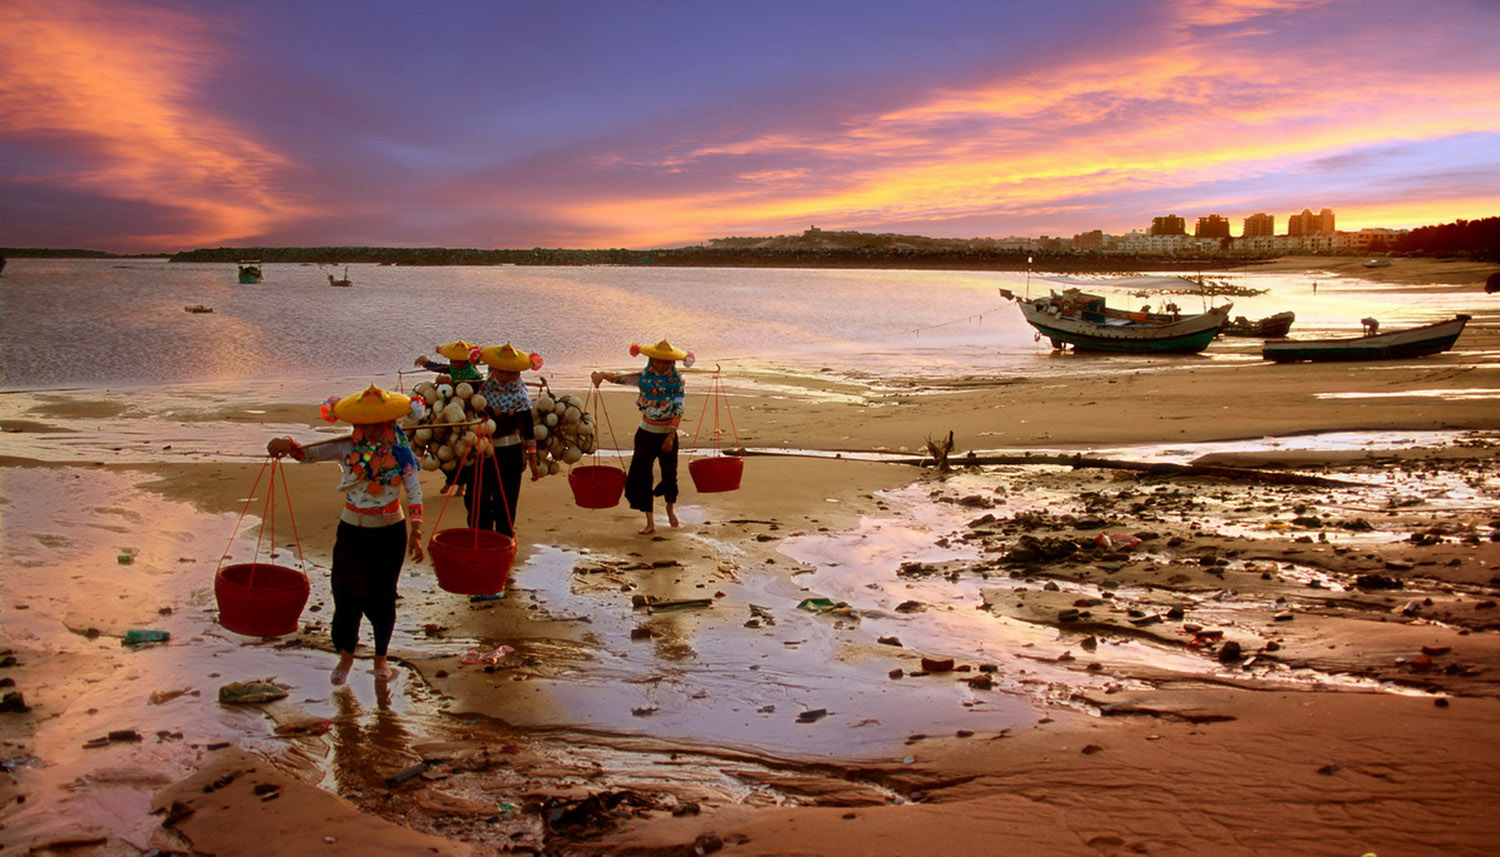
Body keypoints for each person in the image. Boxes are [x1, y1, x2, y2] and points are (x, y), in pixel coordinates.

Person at [266, 384, 425, 686]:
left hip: (389, 533)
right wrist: (287, 444)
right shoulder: (346, 447)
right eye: (363, 424)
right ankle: (347, 654)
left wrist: (416, 531)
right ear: (355, 424)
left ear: (389, 422)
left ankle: (380, 657)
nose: (370, 430)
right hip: (352, 531)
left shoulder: (402, 452)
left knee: (382, 596)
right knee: (345, 592)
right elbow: (307, 455)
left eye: (376, 424)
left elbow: (414, 491)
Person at [592, 339, 694, 534]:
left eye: (666, 362)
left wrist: (670, 437)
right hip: (646, 433)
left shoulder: (677, 382)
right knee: (643, 476)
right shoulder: (644, 378)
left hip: (667, 434)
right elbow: (621, 378)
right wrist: (602, 375)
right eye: (657, 361)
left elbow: (679, 409)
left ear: (672, 363)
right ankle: (650, 521)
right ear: (651, 360)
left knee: (670, 474)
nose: (662, 365)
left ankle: (670, 510)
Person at [457, 343, 543, 537]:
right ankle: (481, 538)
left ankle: (503, 542)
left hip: (510, 453)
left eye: (509, 373)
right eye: (500, 371)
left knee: (505, 500)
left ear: (517, 374)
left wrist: (533, 461)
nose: (504, 377)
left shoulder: (521, 397)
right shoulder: (480, 391)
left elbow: (528, 431)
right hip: (482, 451)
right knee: (477, 499)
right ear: (492, 369)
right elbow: (459, 389)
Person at [412, 340, 484, 383]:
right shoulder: (452, 369)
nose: (456, 364)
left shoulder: (474, 376)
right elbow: (439, 367)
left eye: (460, 362)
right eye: (454, 362)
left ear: (466, 363)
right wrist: (426, 362)